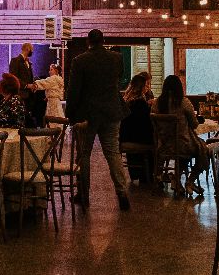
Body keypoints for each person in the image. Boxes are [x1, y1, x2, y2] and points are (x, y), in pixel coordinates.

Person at [65, 28, 131, 211]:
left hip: (88, 115)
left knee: (84, 155)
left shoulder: (80, 61)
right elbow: (119, 79)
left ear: (89, 42)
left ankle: (84, 194)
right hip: (111, 111)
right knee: (112, 153)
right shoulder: (117, 58)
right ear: (103, 40)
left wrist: (70, 114)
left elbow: (74, 91)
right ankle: (122, 192)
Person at [153, 73, 212, 196]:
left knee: (184, 153)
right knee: (204, 150)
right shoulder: (183, 102)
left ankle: (176, 178)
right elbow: (195, 124)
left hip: (163, 146)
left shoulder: (157, 103)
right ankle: (190, 181)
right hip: (183, 144)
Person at [119, 72, 154, 181]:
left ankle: (136, 173)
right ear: (142, 87)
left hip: (124, 138)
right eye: (146, 85)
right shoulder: (140, 103)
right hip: (138, 138)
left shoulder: (126, 101)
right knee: (158, 143)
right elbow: (147, 126)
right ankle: (152, 175)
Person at [8, 42, 35, 112]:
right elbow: (13, 78)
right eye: (32, 50)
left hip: (29, 95)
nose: (32, 52)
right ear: (27, 49)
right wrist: (26, 85)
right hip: (20, 94)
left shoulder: (28, 62)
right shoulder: (15, 61)